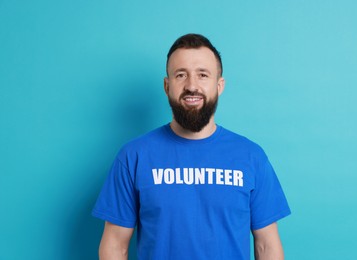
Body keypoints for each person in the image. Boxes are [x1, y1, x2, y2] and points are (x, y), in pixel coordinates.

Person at [92, 33, 291, 260]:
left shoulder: (251, 156)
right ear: (167, 86)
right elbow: (115, 246)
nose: (191, 86)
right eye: (181, 75)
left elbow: (267, 245)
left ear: (219, 85)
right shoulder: (133, 157)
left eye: (203, 75)